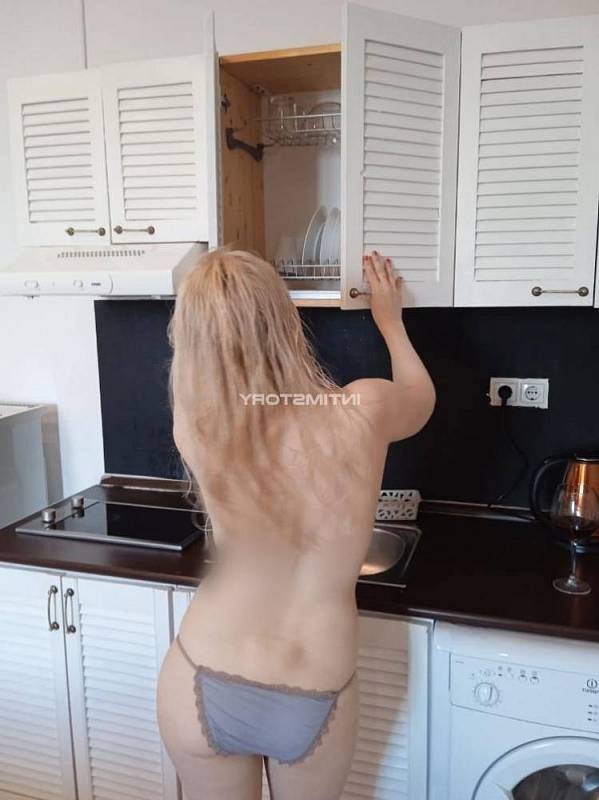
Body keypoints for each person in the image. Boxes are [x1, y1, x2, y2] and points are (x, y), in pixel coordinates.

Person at [156, 250, 435, 800]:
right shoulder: (365, 408)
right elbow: (422, 400)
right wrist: (390, 322)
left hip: (201, 672)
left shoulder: (197, 423)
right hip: (315, 689)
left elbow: (218, 378)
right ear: (286, 318)